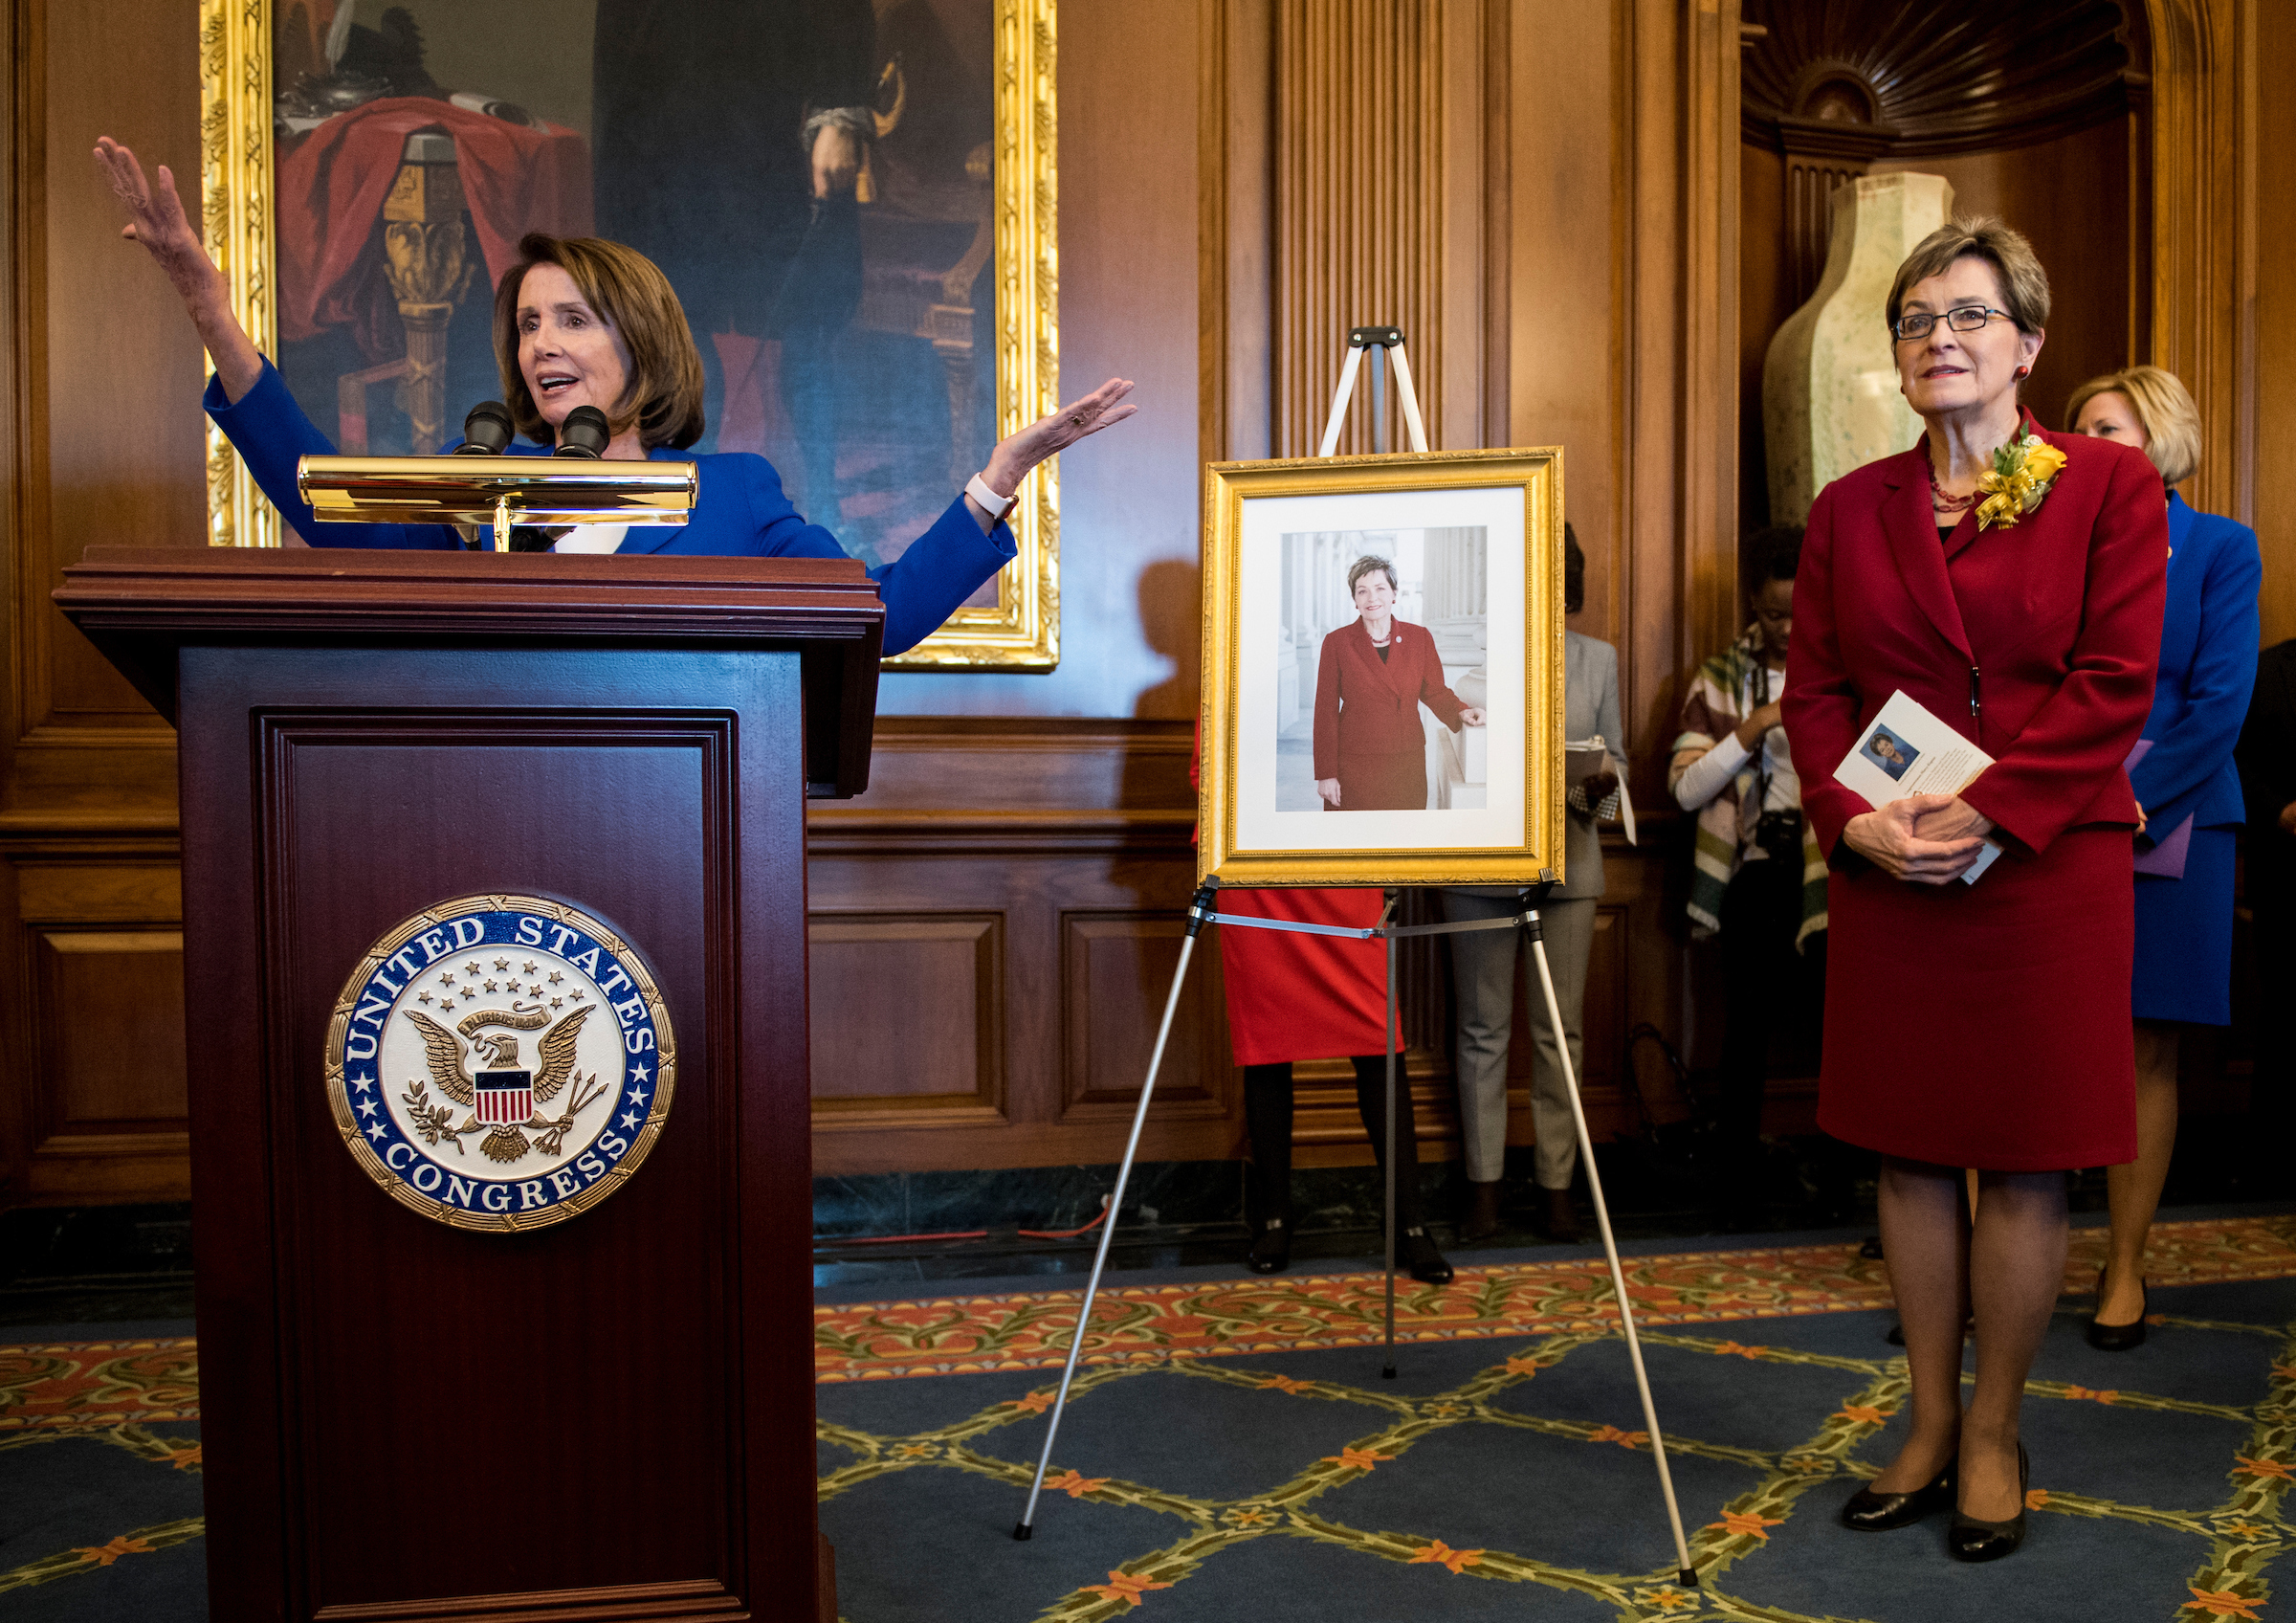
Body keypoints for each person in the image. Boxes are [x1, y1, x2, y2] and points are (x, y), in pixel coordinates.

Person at [92, 137, 1134, 658]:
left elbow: (883, 615)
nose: (541, 341)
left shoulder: (731, 496)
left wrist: (999, 479)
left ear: (641, 345)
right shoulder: (476, 491)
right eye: (529, 323)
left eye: (573, 319)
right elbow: (326, 509)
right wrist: (208, 308)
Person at [1782, 216, 2165, 1562]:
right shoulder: (1850, 507)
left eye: (1968, 316)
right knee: (1904, 1147)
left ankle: (1997, 1427)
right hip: (1895, 861)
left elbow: (2115, 682)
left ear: (2028, 345)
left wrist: (1990, 809)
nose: (1938, 338)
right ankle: (1927, 1420)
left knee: (2021, 1158)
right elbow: (1815, 692)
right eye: (1916, 320)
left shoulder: (2107, 485)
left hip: (2043, 866)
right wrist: (1853, 822)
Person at [2064, 367, 2260, 1348]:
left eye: (2107, 426)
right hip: (2056, 817)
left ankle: (2126, 1265)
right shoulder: (2055, 542)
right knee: (2048, 1038)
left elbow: (2222, 702)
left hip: (2169, 815)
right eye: (2077, 429)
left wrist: (2128, 801)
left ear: (2163, 435)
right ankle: (1999, 1257)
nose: (2085, 441)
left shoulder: (2223, 546)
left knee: (2147, 1046)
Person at [1189, 736, 1453, 1283]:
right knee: (1267, 1047)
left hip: (1344, 858)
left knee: (1379, 1043)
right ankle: (1275, 1218)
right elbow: (1203, 773)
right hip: (1257, 868)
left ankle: (1410, 1226)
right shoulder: (1229, 661)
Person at [1439, 526, 1622, 1244]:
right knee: (1481, 1032)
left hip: (1571, 865)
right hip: (1478, 868)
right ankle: (1482, 1190)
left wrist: (1601, 787)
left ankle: (1556, 1187)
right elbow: (1443, 762)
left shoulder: (1597, 660)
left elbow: (1617, 777)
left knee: (1560, 1035)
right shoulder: (1463, 665)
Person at [1668, 526, 1826, 1216]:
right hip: (1757, 867)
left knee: (1839, 1031)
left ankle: (1843, 1179)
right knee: (1746, 1029)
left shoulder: (1846, 670)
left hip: (1833, 871)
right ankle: (1735, 1181)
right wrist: (1757, 724)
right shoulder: (1724, 677)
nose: (1787, 629)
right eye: (1771, 614)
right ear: (1751, 607)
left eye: (1800, 612)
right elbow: (1685, 790)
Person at [1313, 555, 1485, 811]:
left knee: (1404, 840)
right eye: (1363, 591)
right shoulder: (1337, 643)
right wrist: (1326, 774)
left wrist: (1462, 711)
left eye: (1380, 589)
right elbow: (1325, 711)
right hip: (1355, 765)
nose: (1372, 598)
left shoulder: (1419, 638)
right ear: (1355, 600)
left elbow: (1435, 691)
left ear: (1394, 593)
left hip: (1405, 762)